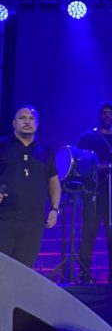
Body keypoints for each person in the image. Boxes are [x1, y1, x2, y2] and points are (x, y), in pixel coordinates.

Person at [0, 106, 61, 267]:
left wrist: (55, 209)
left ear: (37, 124)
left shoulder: (45, 151)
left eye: (32, 118)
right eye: (22, 118)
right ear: (14, 123)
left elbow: (54, 181)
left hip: (33, 223)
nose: (27, 121)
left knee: (24, 271)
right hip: (4, 220)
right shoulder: (2, 146)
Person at [77, 103, 112, 284]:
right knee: (88, 236)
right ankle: (84, 275)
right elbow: (81, 165)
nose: (108, 116)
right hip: (93, 194)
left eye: (111, 113)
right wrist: (107, 166)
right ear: (98, 116)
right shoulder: (87, 138)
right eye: (104, 113)